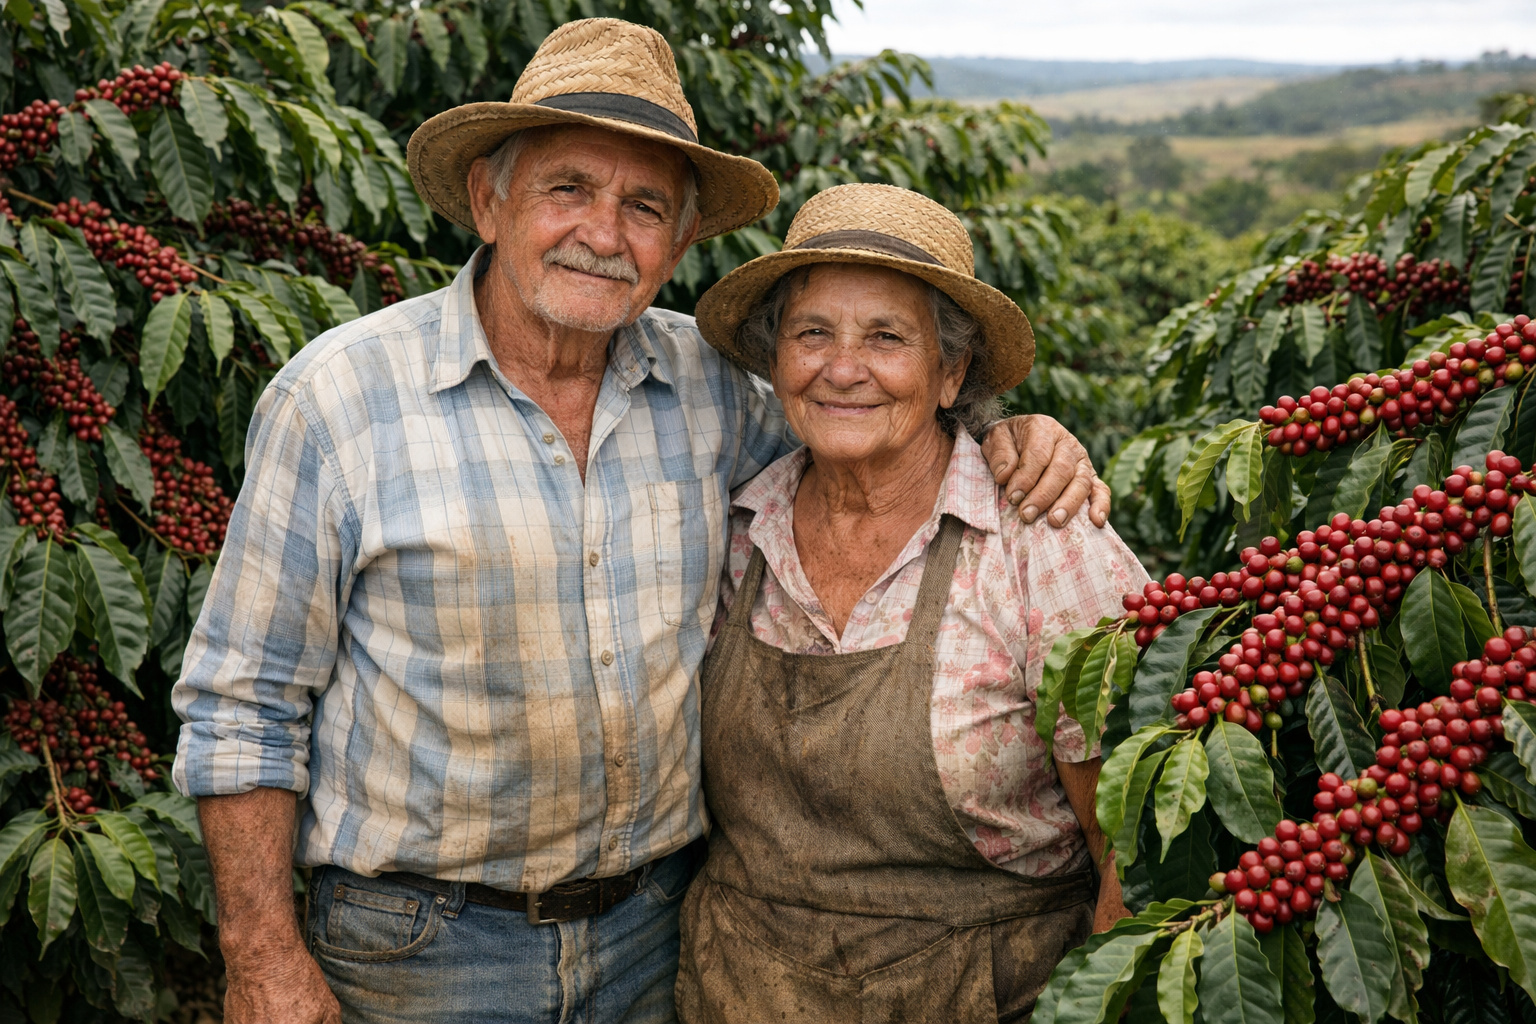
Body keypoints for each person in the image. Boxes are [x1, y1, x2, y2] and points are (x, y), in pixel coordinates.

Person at [171, 19, 1109, 1024]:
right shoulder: (337, 402)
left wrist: (1010, 440)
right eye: (568, 188)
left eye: (645, 206)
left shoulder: (716, 395)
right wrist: (261, 953)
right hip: (422, 948)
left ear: (682, 240)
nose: (606, 233)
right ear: (489, 199)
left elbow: (868, 438)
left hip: (658, 938)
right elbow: (245, 703)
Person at [675, 183, 1149, 1023]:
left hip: (981, 994)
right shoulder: (740, 527)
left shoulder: (1043, 542)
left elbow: (1135, 842)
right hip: (739, 992)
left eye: (886, 338)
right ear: (776, 358)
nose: (842, 367)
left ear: (950, 371)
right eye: (811, 333)